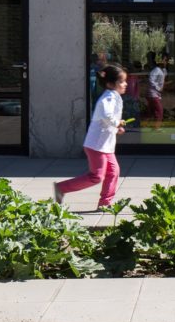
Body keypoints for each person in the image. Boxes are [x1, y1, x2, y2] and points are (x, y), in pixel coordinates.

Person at [54, 64, 127, 209]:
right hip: (96, 145)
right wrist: (117, 122)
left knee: (113, 172)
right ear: (110, 84)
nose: (125, 84)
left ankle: (105, 203)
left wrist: (115, 128)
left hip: (105, 145)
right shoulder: (109, 97)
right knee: (97, 177)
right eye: (122, 81)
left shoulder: (114, 96)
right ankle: (61, 188)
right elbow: (107, 115)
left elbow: (105, 120)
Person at [145, 52, 165, 131]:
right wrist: (158, 88)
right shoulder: (156, 70)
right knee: (159, 111)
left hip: (154, 94)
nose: (165, 62)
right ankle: (156, 127)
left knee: (151, 111)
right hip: (153, 94)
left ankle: (142, 124)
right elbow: (151, 79)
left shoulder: (161, 70)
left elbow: (162, 79)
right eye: (164, 60)